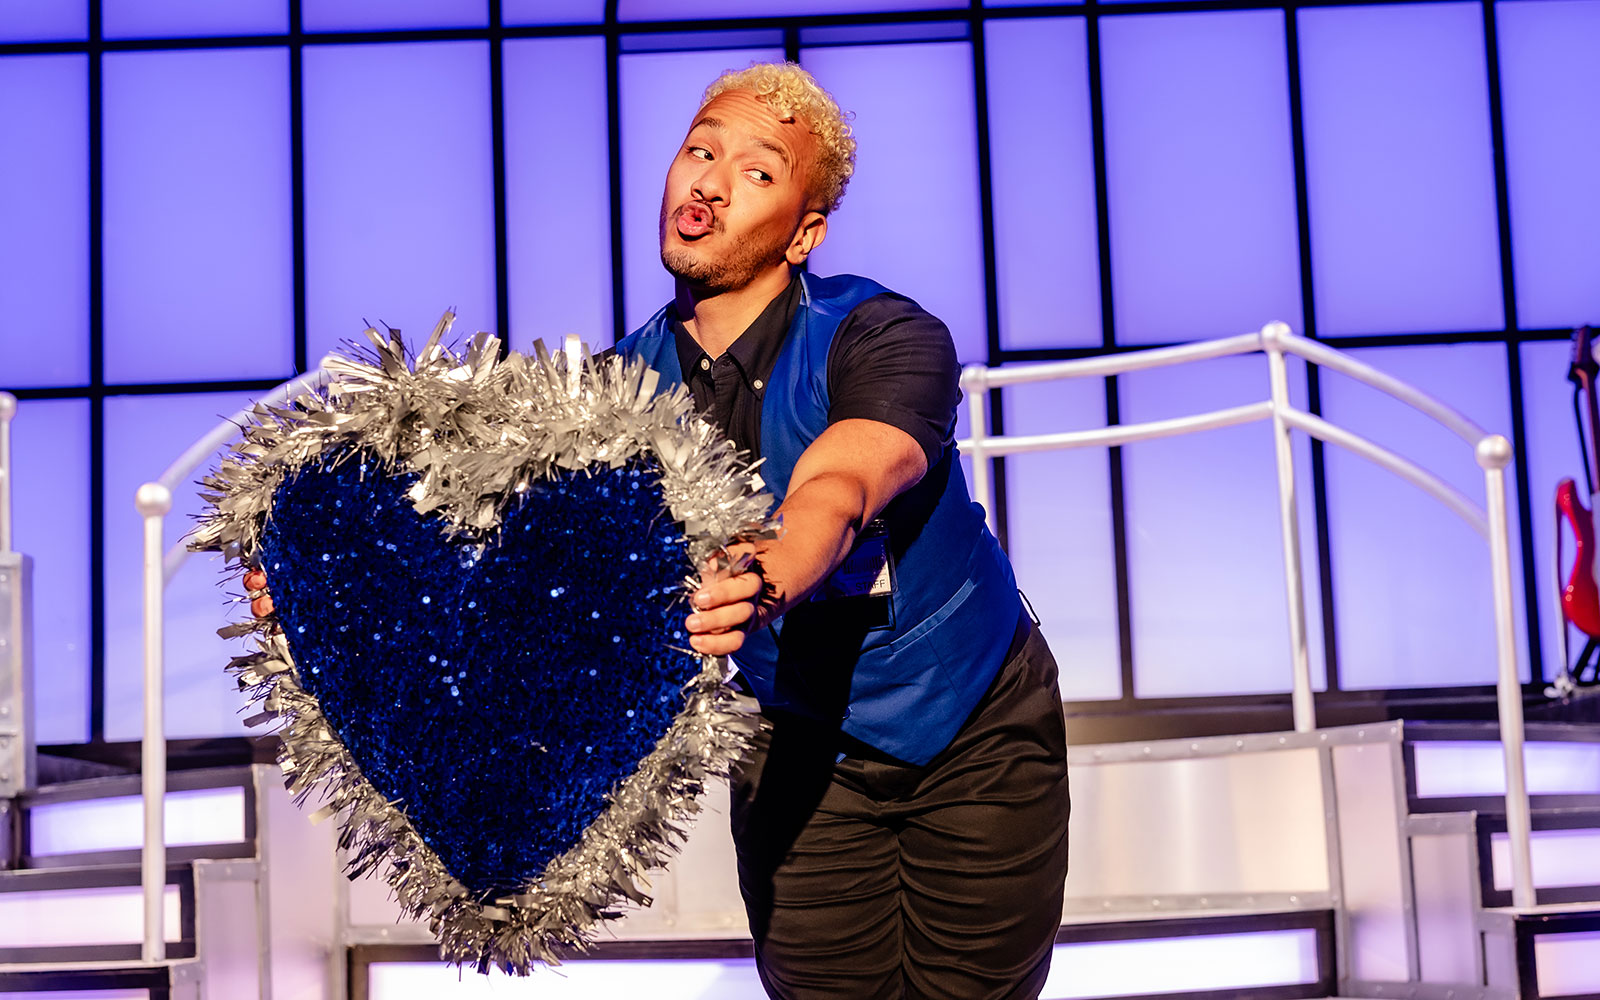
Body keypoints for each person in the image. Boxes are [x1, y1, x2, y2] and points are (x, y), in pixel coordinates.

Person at [609, 62, 1071, 1000]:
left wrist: (772, 568)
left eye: (757, 170)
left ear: (806, 231)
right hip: (793, 736)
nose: (708, 181)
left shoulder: (882, 333)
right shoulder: (615, 393)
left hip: (970, 719)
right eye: (699, 150)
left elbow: (843, 482)